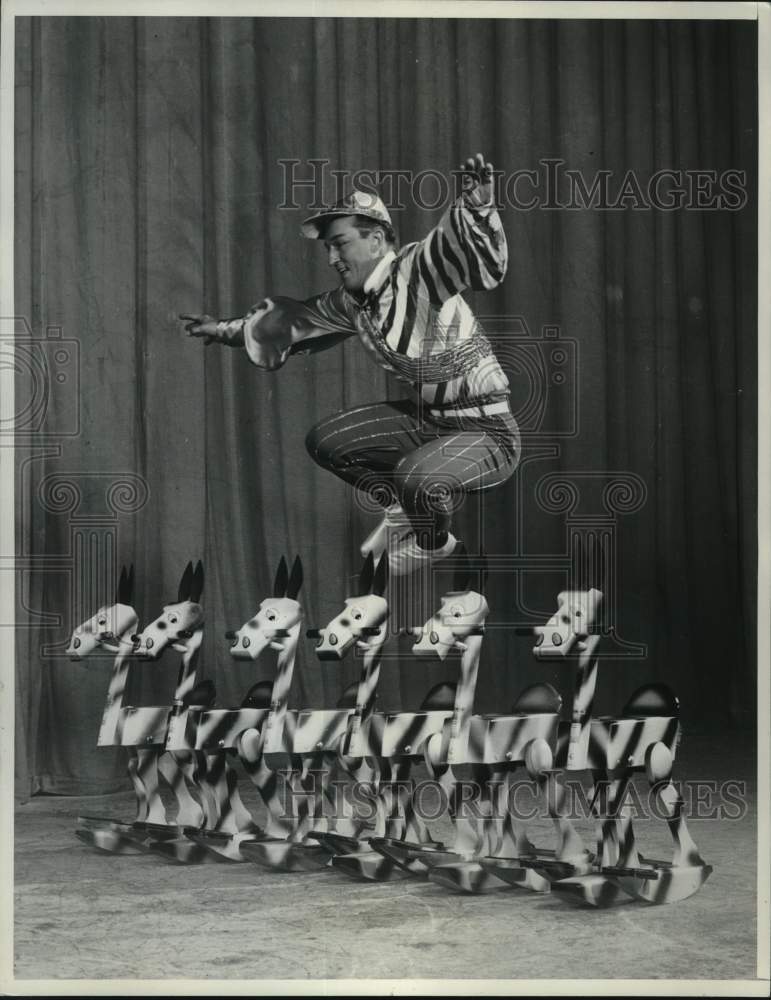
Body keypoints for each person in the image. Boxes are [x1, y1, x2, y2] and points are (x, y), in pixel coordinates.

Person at [181, 153, 520, 576]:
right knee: (328, 441)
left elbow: (459, 251)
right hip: (430, 421)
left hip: (488, 432)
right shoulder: (352, 302)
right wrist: (223, 330)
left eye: (340, 244)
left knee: (414, 475)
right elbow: (292, 320)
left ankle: (433, 542)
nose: (332, 258)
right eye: (328, 248)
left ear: (376, 241)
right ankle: (402, 510)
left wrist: (478, 208)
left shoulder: (417, 272)